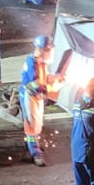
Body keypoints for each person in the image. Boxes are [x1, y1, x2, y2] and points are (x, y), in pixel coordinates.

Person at [19, 35, 59, 166]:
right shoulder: (32, 62)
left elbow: (44, 78)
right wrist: (49, 89)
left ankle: (30, 147)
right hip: (29, 96)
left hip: (36, 96)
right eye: (47, 50)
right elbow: (35, 84)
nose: (49, 53)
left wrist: (55, 78)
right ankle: (36, 155)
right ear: (41, 49)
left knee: (37, 124)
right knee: (32, 127)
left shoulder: (41, 62)